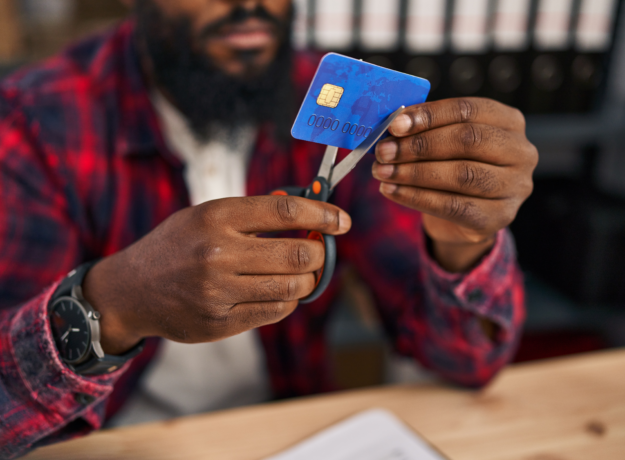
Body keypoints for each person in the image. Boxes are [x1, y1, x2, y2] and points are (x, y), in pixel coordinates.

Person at [0, 0, 537, 457]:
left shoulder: (341, 100)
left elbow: (466, 361)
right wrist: (110, 305)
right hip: (105, 441)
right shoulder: (37, 120)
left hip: (290, 434)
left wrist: (462, 241)